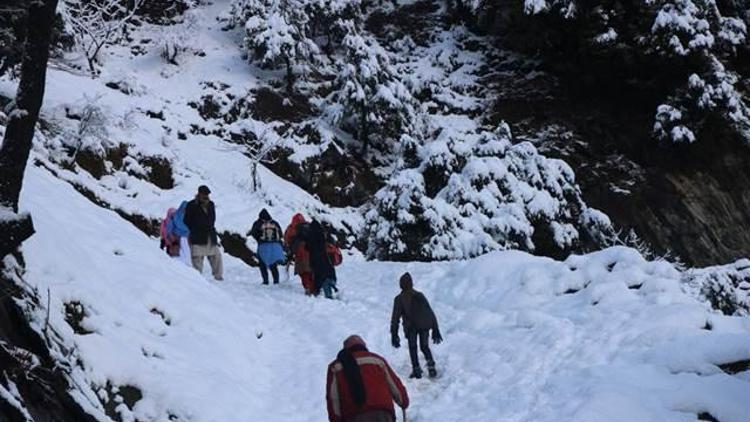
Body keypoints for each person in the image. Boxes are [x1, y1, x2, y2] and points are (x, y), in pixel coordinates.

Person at [326, 335, 409, 422]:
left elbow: (333, 398)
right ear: (364, 346)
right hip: (383, 414)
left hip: (354, 416)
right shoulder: (378, 361)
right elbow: (395, 386)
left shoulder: (336, 367)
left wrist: (335, 419)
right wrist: (403, 402)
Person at [390, 273, 442, 379]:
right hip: (424, 326)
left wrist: (394, 334)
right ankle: (431, 365)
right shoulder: (420, 295)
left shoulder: (399, 299)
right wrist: (435, 328)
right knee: (424, 347)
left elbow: (395, 319)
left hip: (411, 327)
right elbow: (430, 312)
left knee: (413, 348)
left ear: (401, 285)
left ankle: (416, 369)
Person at [183, 185, 223, 281]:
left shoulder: (211, 204)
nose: (206, 196)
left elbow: (213, 218)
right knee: (197, 258)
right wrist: (194, 228)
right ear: (199, 194)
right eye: (204, 194)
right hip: (197, 235)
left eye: (207, 194)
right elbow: (186, 220)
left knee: (216, 256)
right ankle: (197, 279)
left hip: (210, 234)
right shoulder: (191, 205)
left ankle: (218, 276)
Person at [250, 209, 285, 285]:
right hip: (275, 246)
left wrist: (259, 239)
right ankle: (276, 281)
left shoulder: (258, 223)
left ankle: (265, 281)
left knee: (262, 263)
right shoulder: (274, 223)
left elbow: (253, 233)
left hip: (263, 246)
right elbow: (281, 234)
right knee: (273, 264)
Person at [284, 213, 314, 294]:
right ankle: (314, 287)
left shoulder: (292, 228)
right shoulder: (309, 226)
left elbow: (287, 240)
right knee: (311, 271)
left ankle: (308, 287)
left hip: (300, 252)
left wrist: (289, 252)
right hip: (311, 251)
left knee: (303, 272)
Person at [308, 220, 337, 298]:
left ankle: (324, 294)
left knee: (320, 277)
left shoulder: (311, 235)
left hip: (316, 259)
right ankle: (332, 287)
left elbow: (308, 247)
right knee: (328, 275)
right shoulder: (323, 234)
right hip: (326, 259)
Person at [171, 200, 191, 266]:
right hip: (184, 236)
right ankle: (184, 263)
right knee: (185, 250)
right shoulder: (185, 216)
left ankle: (182, 263)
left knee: (183, 250)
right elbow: (184, 226)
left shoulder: (176, 214)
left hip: (178, 234)